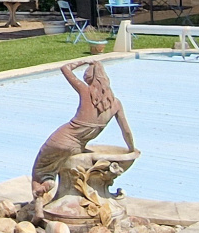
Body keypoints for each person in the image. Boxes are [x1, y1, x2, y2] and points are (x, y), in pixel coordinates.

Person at [31, 59, 136, 205]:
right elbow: (126, 131)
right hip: (77, 147)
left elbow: (65, 68)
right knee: (55, 167)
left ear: (88, 78)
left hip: (61, 139)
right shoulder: (116, 104)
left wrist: (84, 61)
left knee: (40, 170)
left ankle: (39, 203)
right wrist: (131, 148)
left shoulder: (84, 91)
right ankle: (51, 185)